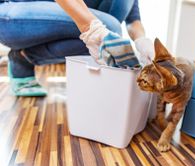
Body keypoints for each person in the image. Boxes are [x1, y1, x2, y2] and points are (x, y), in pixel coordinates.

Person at [0, 0, 154, 96]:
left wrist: (142, 41)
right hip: (11, 12)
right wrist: (93, 29)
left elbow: (133, 21)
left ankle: (24, 56)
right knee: (111, 27)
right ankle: (23, 59)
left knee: (117, 14)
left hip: (52, 13)